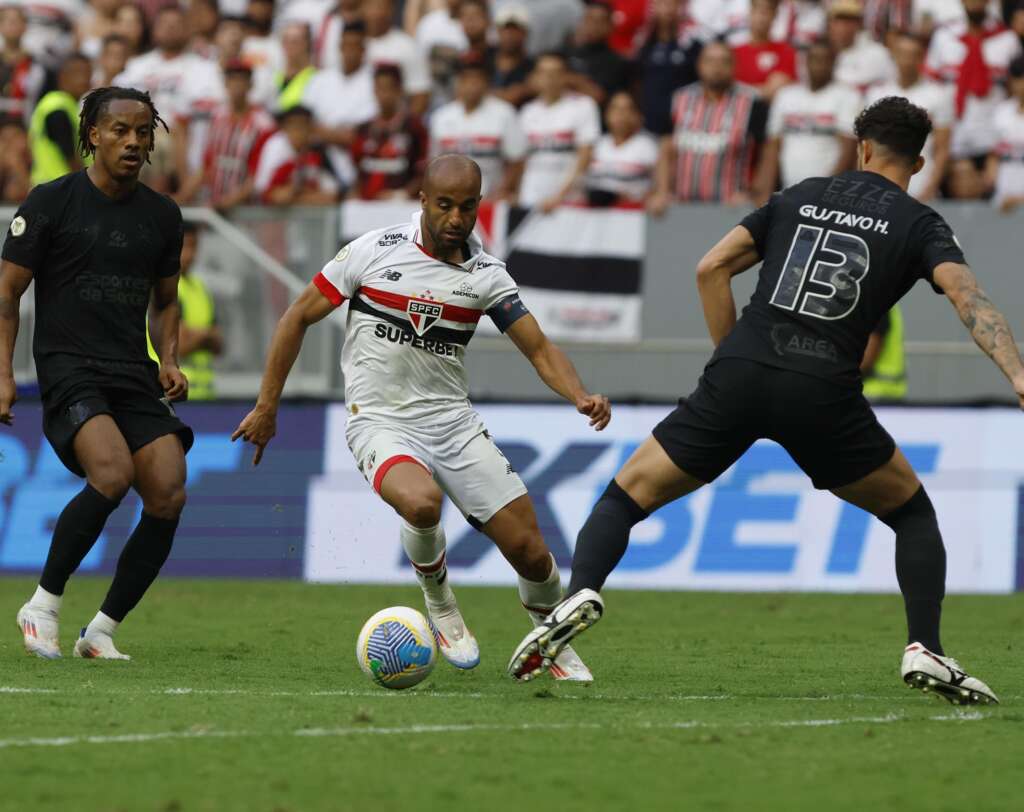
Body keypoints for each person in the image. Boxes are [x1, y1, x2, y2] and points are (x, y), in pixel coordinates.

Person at [509, 96, 1024, 708]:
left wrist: (733, 362)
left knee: (625, 497)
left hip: (742, 372)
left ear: (861, 148)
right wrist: (1017, 374)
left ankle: (584, 590)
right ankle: (925, 648)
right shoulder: (920, 222)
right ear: (916, 161)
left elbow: (710, 267)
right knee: (911, 515)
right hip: (823, 391)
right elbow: (969, 298)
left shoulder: (801, 194)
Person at [233, 154, 611, 681]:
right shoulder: (372, 251)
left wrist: (580, 394)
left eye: (467, 206)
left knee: (531, 551)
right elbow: (298, 315)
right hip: (380, 420)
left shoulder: (486, 276)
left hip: (454, 423)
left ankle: (551, 642)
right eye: (444, 205)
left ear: (479, 205)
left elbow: (540, 349)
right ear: (423, 201)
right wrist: (267, 405)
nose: (456, 218)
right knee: (421, 501)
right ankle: (440, 603)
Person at [3, 86, 192, 661]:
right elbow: (8, 295)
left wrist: (172, 358)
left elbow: (167, 300)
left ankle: (102, 629)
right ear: (92, 136)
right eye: (120, 131)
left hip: (132, 369)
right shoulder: (51, 201)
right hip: (68, 366)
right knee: (110, 473)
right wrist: (4, 374)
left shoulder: (162, 215)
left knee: (167, 489)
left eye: (143, 132)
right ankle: (42, 605)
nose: (133, 142)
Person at [649, 40, 767, 206]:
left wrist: (755, 194)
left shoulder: (752, 102)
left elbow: (767, 153)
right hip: (682, 206)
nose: (716, 67)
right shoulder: (679, 99)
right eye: (710, 61)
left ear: (734, 66)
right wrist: (662, 191)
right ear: (699, 65)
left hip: (731, 207)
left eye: (723, 61)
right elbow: (666, 148)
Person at [927, 0, 1022, 199]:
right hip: (953, 134)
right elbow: (931, 86)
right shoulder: (944, 36)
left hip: (992, 138)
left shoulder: (1007, 38)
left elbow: (1015, 92)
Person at [756, 41, 859, 197]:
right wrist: (764, 193)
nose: (819, 64)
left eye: (825, 59)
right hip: (789, 192)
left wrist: (829, 190)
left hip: (829, 194)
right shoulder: (786, 96)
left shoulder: (848, 96)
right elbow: (772, 148)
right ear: (806, 62)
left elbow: (849, 151)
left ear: (834, 63)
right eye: (814, 59)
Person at [864, 33, 952, 203]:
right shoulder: (876, 93)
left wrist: (930, 188)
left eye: (913, 55)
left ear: (921, 57)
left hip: (920, 185)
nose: (907, 60)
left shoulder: (938, 95)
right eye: (902, 54)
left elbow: (942, 149)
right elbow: (866, 145)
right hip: (878, 188)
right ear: (894, 55)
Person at [177, 59, 275, 208]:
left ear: (250, 85)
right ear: (225, 84)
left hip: (249, 210)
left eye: (241, 80)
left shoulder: (263, 124)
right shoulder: (217, 117)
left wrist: (227, 203)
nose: (236, 85)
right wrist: (182, 196)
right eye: (232, 79)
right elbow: (208, 164)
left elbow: (259, 175)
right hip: (216, 202)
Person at [429, 55, 526, 200]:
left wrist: (503, 191)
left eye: (477, 80)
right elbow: (434, 165)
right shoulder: (441, 117)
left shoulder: (504, 113)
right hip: (450, 199)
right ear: (458, 82)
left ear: (486, 83)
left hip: (490, 199)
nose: (471, 85)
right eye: (466, 79)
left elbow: (517, 161)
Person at [148, 222, 223, 400]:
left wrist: (196, 335)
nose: (191, 254)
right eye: (186, 246)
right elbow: (179, 344)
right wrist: (205, 335)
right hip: (170, 390)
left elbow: (219, 343)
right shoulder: (164, 288)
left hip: (204, 394)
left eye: (195, 246)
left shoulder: (200, 288)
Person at [517, 51, 601, 210]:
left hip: (569, 200)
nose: (549, 78)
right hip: (530, 197)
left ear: (566, 76)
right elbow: (521, 159)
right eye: (543, 73)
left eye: (555, 73)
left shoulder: (583, 106)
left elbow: (585, 156)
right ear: (535, 77)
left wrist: (560, 196)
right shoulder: (527, 112)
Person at [349, 64, 429, 200]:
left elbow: (423, 172)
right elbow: (358, 170)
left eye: (389, 88)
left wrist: (403, 194)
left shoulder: (414, 128)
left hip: (401, 206)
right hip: (367, 207)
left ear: (399, 90)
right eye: (379, 88)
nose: (384, 95)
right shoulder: (363, 130)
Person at [585, 90, 659, 208]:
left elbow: (658, 187)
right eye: (615, 109)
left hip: (633, 216)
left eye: (627, 109)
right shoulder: (597, 145)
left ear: (637, 115)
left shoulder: (647, 146)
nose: (620, 114)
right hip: (595, 217)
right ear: (606, 114)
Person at [254, 104, 340, 205]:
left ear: (311, 129)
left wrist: (297, 197)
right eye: (293, 125)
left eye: (302, 126)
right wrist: (300, 193)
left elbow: (332, 197)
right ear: (284, 128)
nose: (298, 131)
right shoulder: (276, 146)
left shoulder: (317, 151)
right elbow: (269, 194)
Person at [28, 52, 93, 185]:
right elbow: (70, 156)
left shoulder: (65, 105)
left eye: (88, 73)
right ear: (62, 76)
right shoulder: (57, 107)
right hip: (58, 189)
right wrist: (89, 187)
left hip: (53, 186)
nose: (84, 78)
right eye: (77, 73)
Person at [565, 0, 631, 107]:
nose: (592, 26)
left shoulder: (616, 62)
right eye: (589, 19)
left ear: (610, 26)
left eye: (599, 21)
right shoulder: (566, 52)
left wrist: (570, 79)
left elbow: (598, 96)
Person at [731, 0, 797, 101]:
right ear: (750, 13)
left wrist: (742, 90)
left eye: (767, 11)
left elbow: (774, 91)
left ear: (775, 15)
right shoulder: (734, 53)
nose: (762, 17)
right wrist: (762, 88)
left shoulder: (785, 51)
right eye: (758, 10)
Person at [827, 0, 896, 92]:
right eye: (837, 21)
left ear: (859, 24)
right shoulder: (824, 54)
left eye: (848, 21)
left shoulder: (877, 54)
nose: (842, 27)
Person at [986, 55, 1024, 211]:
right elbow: (993, 154)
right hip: (1003, 194)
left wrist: (1019, 199)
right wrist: (991, 182)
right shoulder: (1001, 112)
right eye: (1018, 79)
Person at [0, 5, 45, 127]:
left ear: (25, 26)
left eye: (17, 21)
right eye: (8, 21)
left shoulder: (36, 64)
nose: (12, 25)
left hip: (26, 125)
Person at [491, 5, 535, 108]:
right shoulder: (484, 58)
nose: (509, 35)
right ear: (498, 31)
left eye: (515, 30)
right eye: (505, 30)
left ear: (525, 33)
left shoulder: (532, 66)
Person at [862, 305, 906, 402]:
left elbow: (867, 357)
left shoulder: (876, 305)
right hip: (886, 393)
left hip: (874, 395)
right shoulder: (887, 304)